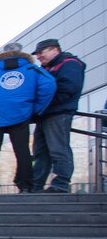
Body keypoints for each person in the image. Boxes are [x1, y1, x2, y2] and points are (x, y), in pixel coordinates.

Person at [0, 43, 55, 194]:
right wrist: (35, 108)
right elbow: (49, 84)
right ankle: (25, 184)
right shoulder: (32, 69)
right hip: (20, 113)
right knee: (22, 150)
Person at [30, 38, 86, 193]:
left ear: (55, 49)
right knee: (40, 153)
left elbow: (68, 88)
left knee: (58, 149)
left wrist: (43, 103)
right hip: (44, 115)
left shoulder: (70, 64)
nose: (38, 57)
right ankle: (36, 185)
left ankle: (60, 184)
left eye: (41, 52)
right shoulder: (46, 68)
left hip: (58, 113)